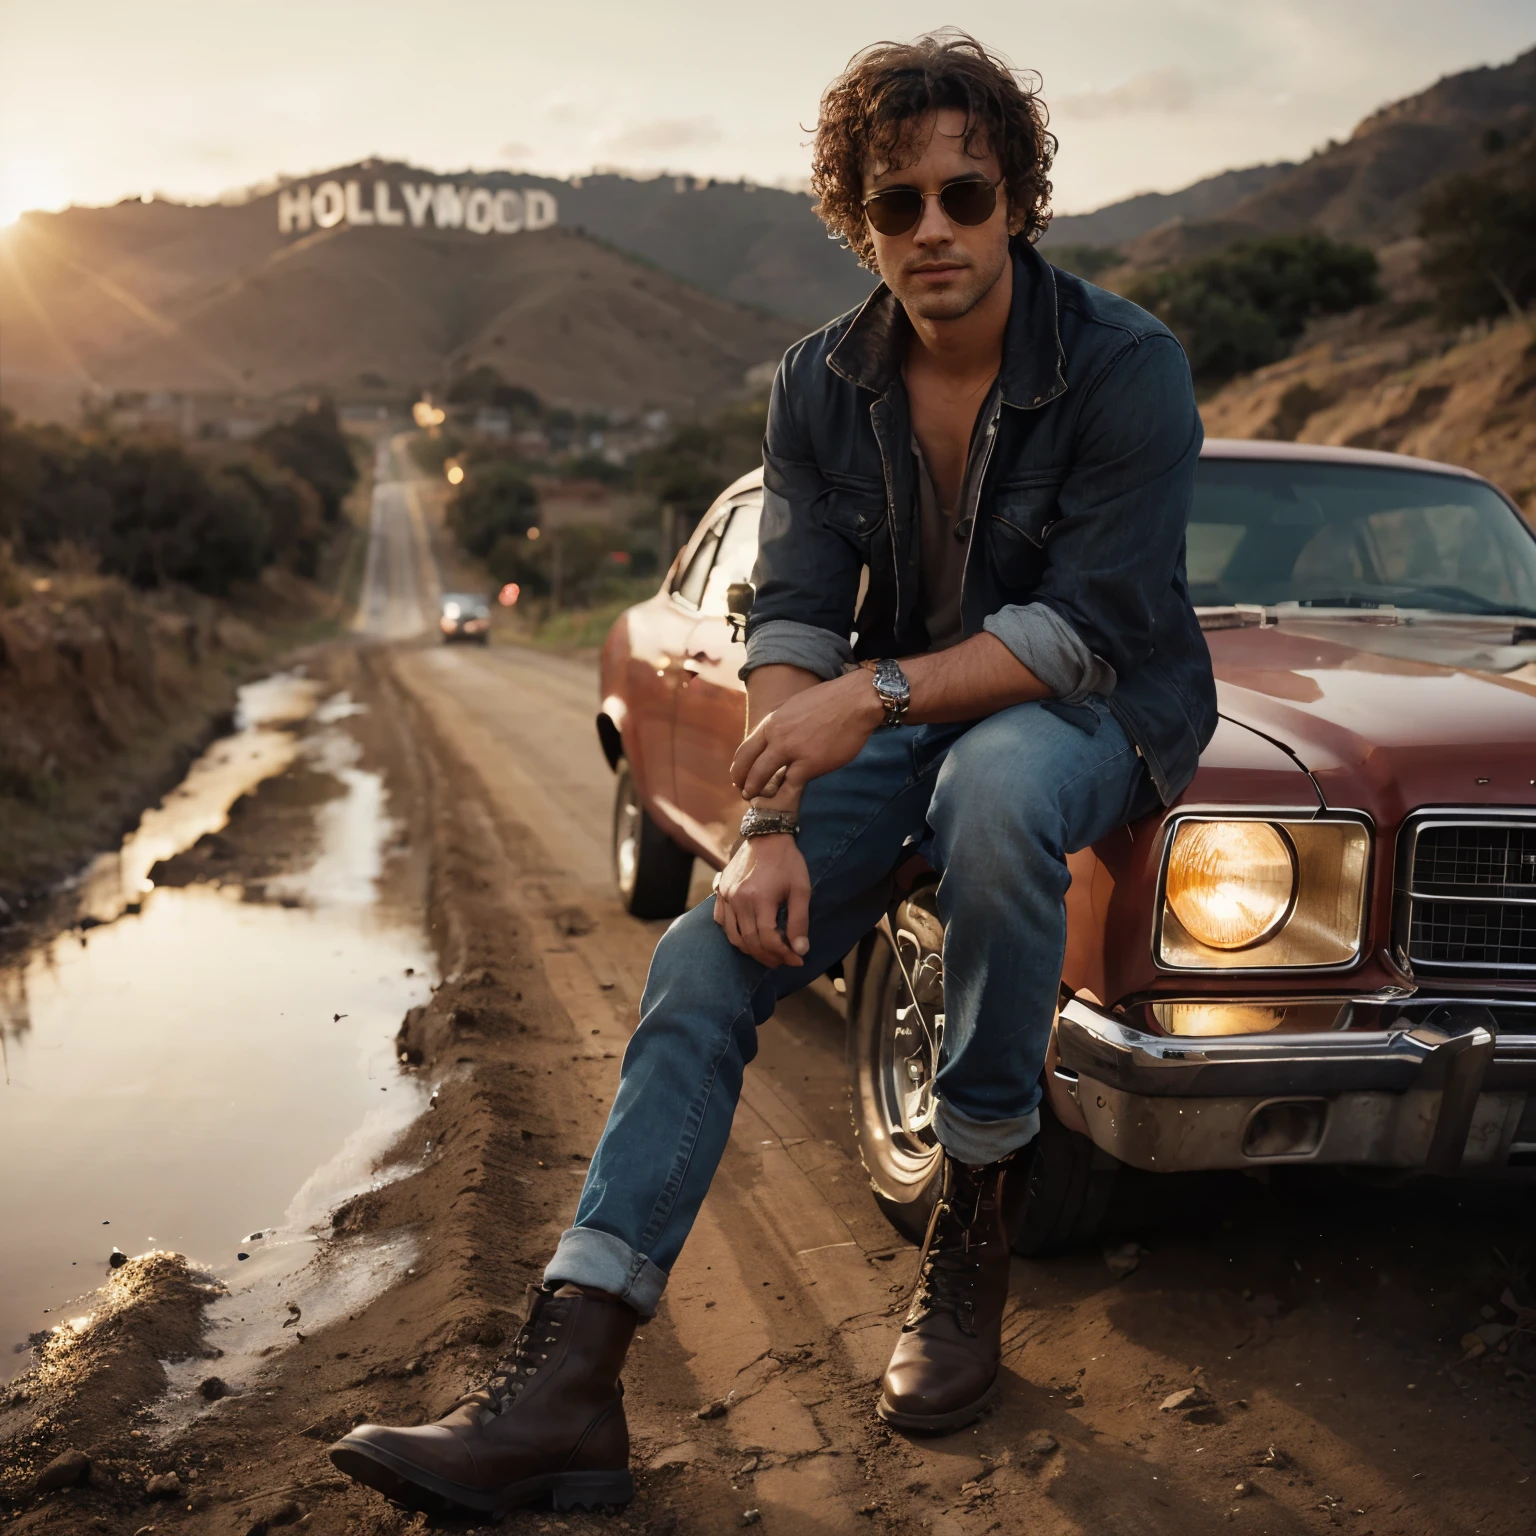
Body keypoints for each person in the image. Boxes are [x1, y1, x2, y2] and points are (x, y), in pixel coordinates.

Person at [330, 29, 1216, 1519]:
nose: (932, 229)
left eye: (965, 194)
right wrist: (765, 826)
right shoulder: (823, 381)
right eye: (896, 205)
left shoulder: (1127, 364)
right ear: (854, 219)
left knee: (999, 795)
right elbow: (795, 609)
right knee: (698, 952)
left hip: (1099, 706)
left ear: (1020, 200)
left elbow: (1084, 629)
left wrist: (868, 698)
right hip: (906, 711)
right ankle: (571, 1382)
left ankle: (973, 1223)